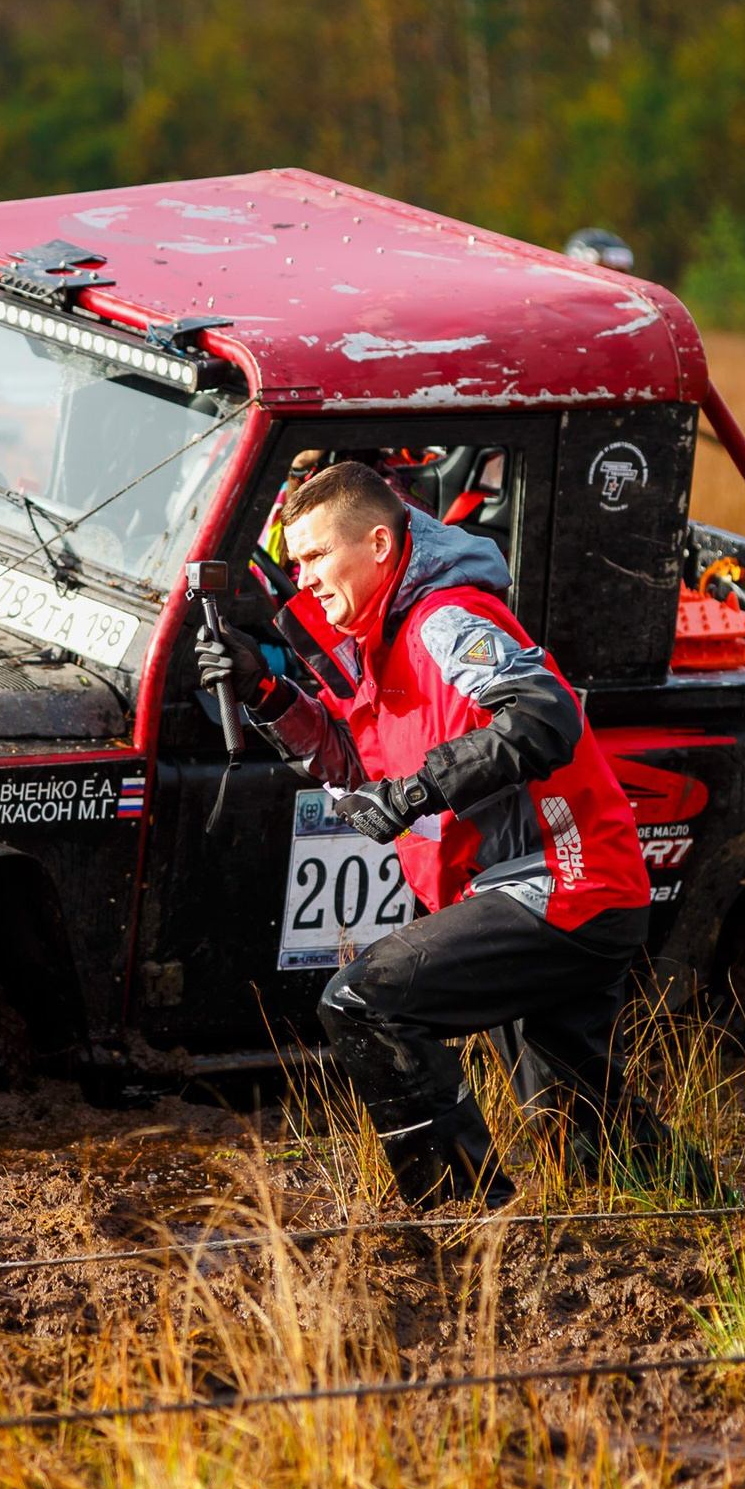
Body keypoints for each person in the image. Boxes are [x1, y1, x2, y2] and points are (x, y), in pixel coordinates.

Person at [198, 460, 704, 1208]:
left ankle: (463, 1218)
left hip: (564, 884)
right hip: (549, 892)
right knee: (582, 1136)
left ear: (376, 543)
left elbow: (544, 716)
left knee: (363, 1002)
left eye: (312, 555)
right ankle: (730, 1218)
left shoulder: (443, 620)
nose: (301, 578)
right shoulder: (377, 640)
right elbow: (353, 762)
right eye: (296, 560)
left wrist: (417, 790)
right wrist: (265, 690)